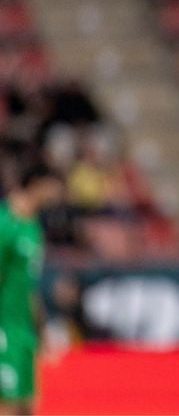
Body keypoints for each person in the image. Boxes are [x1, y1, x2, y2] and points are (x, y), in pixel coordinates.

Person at [0, 161, 63, 416]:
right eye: (53, 186)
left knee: (29, 408)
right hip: (4, 331)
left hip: (24, 332)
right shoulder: (6, 224)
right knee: (8, 406)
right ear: (37, 183)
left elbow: (30, 286)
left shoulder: (33, 227)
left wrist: (43, 329)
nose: (58, 193)